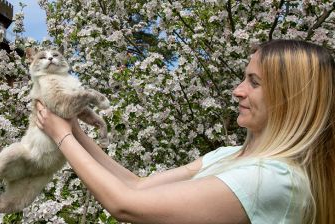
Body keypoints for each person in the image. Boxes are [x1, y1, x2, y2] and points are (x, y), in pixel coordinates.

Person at [35, 39, 335, 224]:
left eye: (254, 83)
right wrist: (74, 130)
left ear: (290, 98)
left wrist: (61, 137)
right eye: (243, 79)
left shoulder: (273, 180)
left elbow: (125, 204)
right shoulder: (231, 156)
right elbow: (138, 186)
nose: (237, 91)